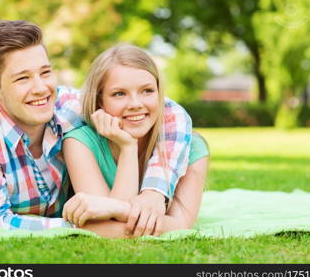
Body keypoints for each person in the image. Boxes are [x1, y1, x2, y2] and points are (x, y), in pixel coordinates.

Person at [0, 20, 193, 233]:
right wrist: (85, 227)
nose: (41, 88)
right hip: (48, 216)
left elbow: (170, 112)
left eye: (45, 72)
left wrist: (154, 191)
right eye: (23, 78)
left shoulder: (68, 106)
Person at [62, 43, 209, 238]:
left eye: (147, 91)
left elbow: (182, 225)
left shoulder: (192, 148)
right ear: (100, 101)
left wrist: (119, 210)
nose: (135, 104)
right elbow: (100, 225)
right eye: (119, 94)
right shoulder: (80, 142)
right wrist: (128, 147)